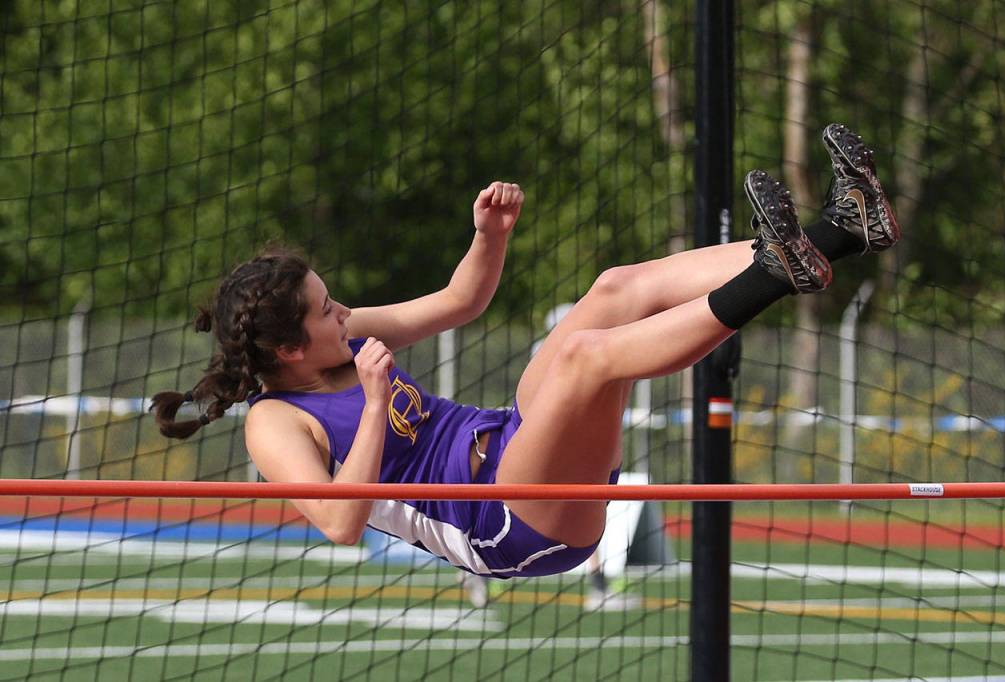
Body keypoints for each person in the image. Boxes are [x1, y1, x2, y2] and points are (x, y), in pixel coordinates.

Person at [152, 124, 899, 579]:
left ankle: (843, 229)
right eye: (325, 310)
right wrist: (376, 406)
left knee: (611, 292)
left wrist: (489, 240)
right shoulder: (273, 422)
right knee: (586, 358)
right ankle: (771, 273)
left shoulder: (341, 337)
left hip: (510, 444)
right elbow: (341, 525)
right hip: (503, 528)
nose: (341, 311)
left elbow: (459, 303)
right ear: (287, 348)